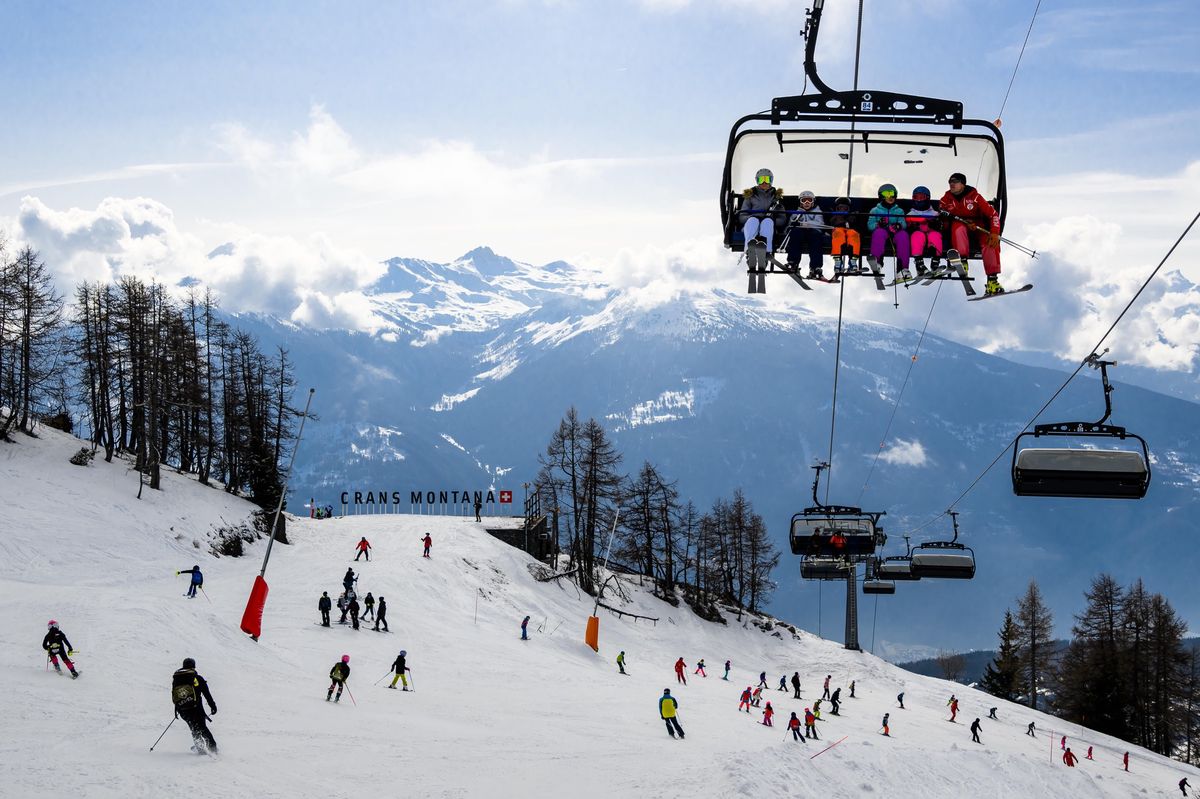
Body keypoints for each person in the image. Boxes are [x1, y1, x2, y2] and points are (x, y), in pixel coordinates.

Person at [940, 171, 1004, 296]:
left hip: (978, 228)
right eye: (950, 182)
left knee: (990, 242)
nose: (952, 184)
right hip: (960, 230)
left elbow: (993, 214)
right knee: (958, 227)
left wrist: (995, 232)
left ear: (963, 184)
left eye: (955, 182)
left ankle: (992, 282)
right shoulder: (945, 200)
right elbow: (943, 218)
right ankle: (962, 261)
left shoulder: (975, 197)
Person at [739, 168, 784, 274]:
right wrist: (753, 217)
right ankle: (750, 253)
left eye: (767, 179)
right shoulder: (750, 196)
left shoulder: (776, 197)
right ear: (757, 181)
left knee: (767, 222)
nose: (764, 182)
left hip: (769, 225)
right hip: (751, 225)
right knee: (753, 221)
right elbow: (742, 216)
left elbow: (782, 218)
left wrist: (772, 220)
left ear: (771, 180)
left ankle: (765, 254)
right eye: (761, 180)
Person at [171, 657, 218, 755]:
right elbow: (207, 694)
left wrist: (177, 710)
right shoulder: (197, 678)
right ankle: (213, 749)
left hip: (183, 710)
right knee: (202, 728)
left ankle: (200, 749)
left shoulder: (177, 679)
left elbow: (175, 695)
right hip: (197, 709)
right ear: (194, 666)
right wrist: (213, 706)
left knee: (194, 728)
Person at [867, 183, 911, 281]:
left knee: (903, 235)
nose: (890, 196)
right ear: (881, 196)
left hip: (895, 233)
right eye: (887, 194)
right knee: (879, 233)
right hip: (882, 232)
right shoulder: (875, 210)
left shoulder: (899, 211)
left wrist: (898, 226)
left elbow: (903, 223)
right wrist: (879, 224)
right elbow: (870, 226)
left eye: (892, 193)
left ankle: (902, 269)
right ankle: (877, 262)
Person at [785, 190, 826, 280]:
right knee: (795, 233)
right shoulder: (797, 212)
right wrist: (797, 223)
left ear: (813, 202)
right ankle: (793, 262)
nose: (806, 203)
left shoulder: (817, 211)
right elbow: (790, 224)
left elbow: (820, 224)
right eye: (804, 200)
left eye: (809, 200)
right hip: (800, 232)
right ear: (800, 202)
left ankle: (815, 267)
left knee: (816, 238)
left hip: (813, 232)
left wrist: (809, 224)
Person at [905, 186, 944, 275]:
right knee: (917, 236)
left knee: (935, 236)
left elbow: (941, 226)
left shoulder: (934, 213)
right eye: (916, 197)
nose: (919, 200)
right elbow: (907, 224)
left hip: (930, 236)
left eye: (921, 197)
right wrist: (915, 223)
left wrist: (935, 223)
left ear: (927, 198)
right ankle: (919, 264)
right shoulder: (911, 214)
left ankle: (935, 261)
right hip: (919, 234)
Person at [829, 196, 863, 275]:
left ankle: (853, 261)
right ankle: (838, 262)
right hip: (839, 231)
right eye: (840, 208)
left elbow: (858, 227)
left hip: (850, 231)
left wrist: (851, 220)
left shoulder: (852, 216)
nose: (843, 210)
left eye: (845, 208)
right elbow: (830, 224)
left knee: (854, 234)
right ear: (837, 209)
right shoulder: (834, 217)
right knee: (838, 233)